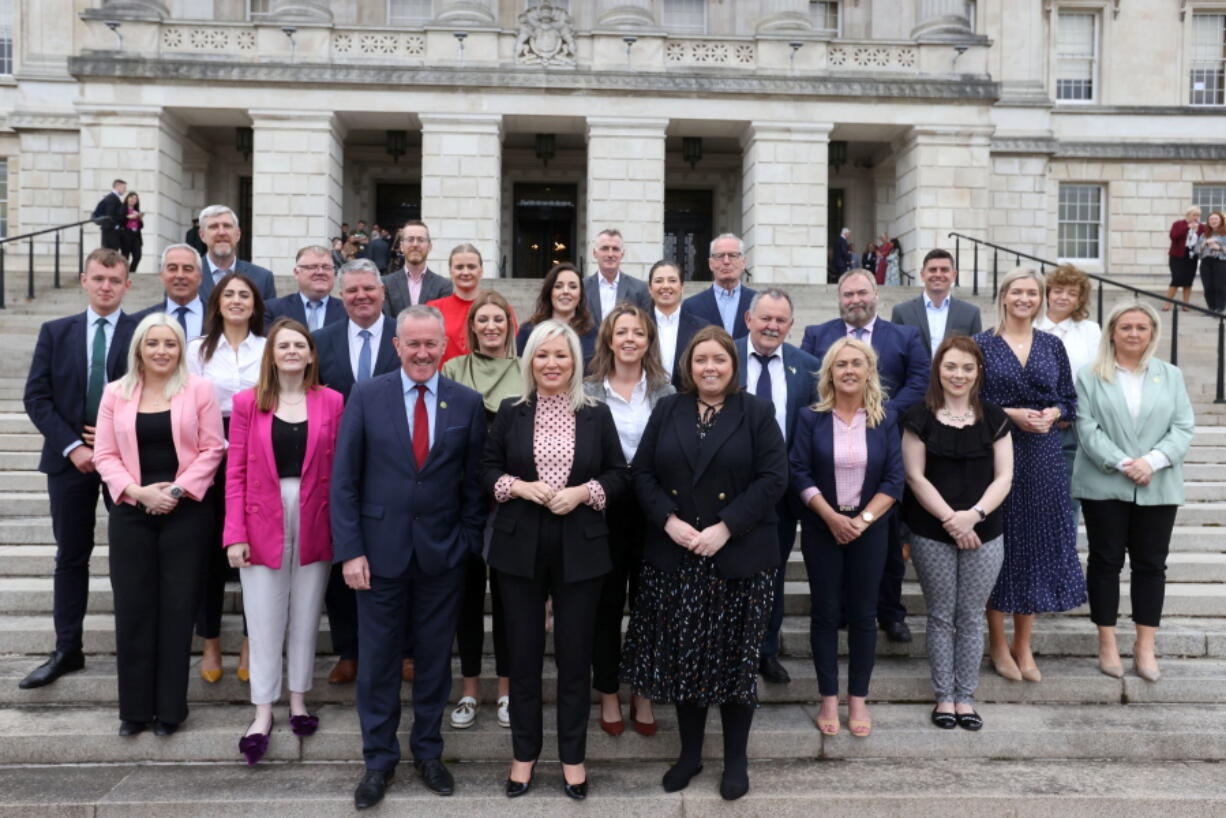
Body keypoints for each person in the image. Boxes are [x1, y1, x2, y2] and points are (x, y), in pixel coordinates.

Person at [621, 325, 786, 801]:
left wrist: (727, 526)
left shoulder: (755, 411)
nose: (709, 367)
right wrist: (668, 521)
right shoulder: (669, 408)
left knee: (735, 664)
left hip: (738, 557)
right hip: (677, 554)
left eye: (719, 359)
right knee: (685, 661)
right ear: (687, 366)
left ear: (732, 366)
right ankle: (690, 755)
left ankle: (736, 761)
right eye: (700, 360)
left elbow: (775, 478)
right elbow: (643, 473)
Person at [332, 305, 486, 809]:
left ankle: (428, 752)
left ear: (446, 346)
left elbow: (474, 488)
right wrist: (350, 550)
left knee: (435, 663)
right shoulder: (367, 395)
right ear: (396, 346)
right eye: (412, 344)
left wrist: (465, 543)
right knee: (377, 665)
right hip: (377, 558)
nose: (422, 353)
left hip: (442, 557)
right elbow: (344, 481)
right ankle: (378, 761)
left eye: (431, 344)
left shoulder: (466, 402)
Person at [482, 320, 628, 801]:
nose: (551, 364)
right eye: (542, 356)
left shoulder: (596, 414)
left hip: (580, 544)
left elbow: (618, 475)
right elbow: (486, 469)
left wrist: (586, 492)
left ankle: (572, 757)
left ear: (575, 362)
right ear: (529, 362)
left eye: (560, 356)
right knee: (522, 658)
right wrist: (518, 487)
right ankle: (523, 755)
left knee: (573, 660)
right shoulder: (510, 411)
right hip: (518, 543)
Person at [92, 313, 225, 736]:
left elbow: (212, 449)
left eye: (170, 344)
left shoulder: (199, 389)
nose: (161, 351)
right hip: (131, 511)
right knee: (133, 609)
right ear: (139, 349)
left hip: (185, 513)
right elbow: (104, 454)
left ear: (180, 349)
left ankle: (170, 712)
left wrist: (175, 492)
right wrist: (138, 491)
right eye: (153, 344)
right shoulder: (116, 392)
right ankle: (133, 711)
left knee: (176, 609)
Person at [224, 318, 345, 764]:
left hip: (316, 516)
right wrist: (234, 533)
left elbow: (343, 469)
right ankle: (261, 711)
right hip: (261, 516)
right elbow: (234, 472)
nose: (291, 351)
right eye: (283, 345)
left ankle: (297, 700)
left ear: (311, 354)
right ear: (271, 354)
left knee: (307, 611)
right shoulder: (246, 403)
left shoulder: (332, 401)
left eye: (299, 345)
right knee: (262, 616)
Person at [19, 249, 137, 690]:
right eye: (99, 278)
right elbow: (36, 398)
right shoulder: (56, 332)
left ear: (127, 285)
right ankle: (68, 648)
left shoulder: (143, 332)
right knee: (71, 555)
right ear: (83, 280)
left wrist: (111, 444)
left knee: (130, 559)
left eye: (114, 279)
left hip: (126, 463)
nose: (106, 286)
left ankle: (135, 648)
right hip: (69, 461)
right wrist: (73, 446)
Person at [801, 268, 930, 644]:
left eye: (861, 293)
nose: (854, 300)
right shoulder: (817, 335)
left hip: (887, 445)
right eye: (847, 295)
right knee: (833, 531)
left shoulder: (904, 336)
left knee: (887, 537)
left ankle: (890, 613)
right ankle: (839, 609)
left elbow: (920, 381)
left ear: (876, 295)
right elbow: (813, 386)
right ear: (838, 299)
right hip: (833, 446)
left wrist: (877, 414)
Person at [974, 267, 1085, 683]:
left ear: (1040, 299)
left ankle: (1024, 642)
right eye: (1017, 291)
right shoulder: (982, 344)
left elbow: (1069, 401)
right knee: (1000, 544)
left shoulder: (1052, 345)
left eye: (1032, 293)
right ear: (1003, 295)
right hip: (995, 453)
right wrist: (1010, 414)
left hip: (1043, 455)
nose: (1025, 299)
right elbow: (966, 401)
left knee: (1036, 544)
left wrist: (1055, 412)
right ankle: (998, 642)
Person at [1073, 301, 1194, 683]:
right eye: (1126, 327)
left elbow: (1183, 426)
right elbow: (1086, 427)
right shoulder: (1090, 375)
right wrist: (1126, 463)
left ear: (1152, 333)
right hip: (1105, 482)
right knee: (1106, 561)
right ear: (1111, 331)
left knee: (1151, 564)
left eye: (1142, 328)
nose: (1134, 334)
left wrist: (1153, 461)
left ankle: (1145, 646)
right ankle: (1107, 641)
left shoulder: (1170, 375)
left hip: (1158, 483)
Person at [790, 337, 903, 739]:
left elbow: (894, 478)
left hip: (870, 530)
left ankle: (858, 699)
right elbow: (799, 471)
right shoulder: (810, 418)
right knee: (825, 614)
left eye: (857, 363)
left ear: (870, 370)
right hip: (823, 528)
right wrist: (831, 516)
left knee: (863, 616)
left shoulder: (885, 419)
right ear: (830, 373)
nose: (849, 370)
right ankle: (827, 698)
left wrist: (864, 519)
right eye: (841, 364)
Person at [901, 336, 1013, 731]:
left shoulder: (995, 417)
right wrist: (952, 519)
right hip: (932, 532)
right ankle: (943, 697)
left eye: (967, 367)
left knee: (969, 617)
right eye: (951, 367)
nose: (959, 375)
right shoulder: (919, 416)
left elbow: (1005, 476)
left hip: (986, 534)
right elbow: (914, 476)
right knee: (941, 616)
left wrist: (975, 515)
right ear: (938, 370)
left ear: (978, 371)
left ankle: (965, 697)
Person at [583, 303, 674, 737]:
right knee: (604, 607)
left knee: (649, 607)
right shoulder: (586, 391)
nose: (630, 340)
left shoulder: (666, 391)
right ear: (609, 338)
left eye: (639, 332)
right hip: (602, 512)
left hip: (653, 513)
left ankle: (643, 691)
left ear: (649, 340)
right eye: (622, 332)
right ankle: (607, 692)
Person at [312, 260, 405, 686]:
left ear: (383, 293)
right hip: (337, 468)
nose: (361, 296)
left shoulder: (403, 340)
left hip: (396, 468)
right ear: (340, 294)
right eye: (351, 291)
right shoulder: (321, 341)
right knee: (341, 559)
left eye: (369, 289)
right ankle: (349, 651)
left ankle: (404, 651)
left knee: (398, 560)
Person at [440, 290, 520, 731]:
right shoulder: (453, 369)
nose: (491, 327)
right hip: (464, 502)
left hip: (513, 502)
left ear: (510, 325)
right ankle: (470, 690)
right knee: (467, 601)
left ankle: (506, 690)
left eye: (499, 320)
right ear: (471, 327)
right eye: (482, 320)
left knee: (509, 601)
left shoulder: (527, 369)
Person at [734, 288, 819, 685]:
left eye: (780, 320)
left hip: (781, 494)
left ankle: (765, 650)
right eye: (765, 318)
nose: (771, 326)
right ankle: (728, 648)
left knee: (774, 571)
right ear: (748, 319)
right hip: (729, 488)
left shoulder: (808, 367)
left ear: (791, 325)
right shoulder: (723, 356)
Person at [187, 272, 267, 685]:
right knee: (208, 554)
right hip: (208, 456)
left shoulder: (269, 349)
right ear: (216, 303)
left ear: (255, 305)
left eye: (245, 295)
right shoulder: (195, 351)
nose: (237, 300)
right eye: (229, 295)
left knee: (254, 550)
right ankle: (211, 640)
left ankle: (253, 640)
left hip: (260, 455)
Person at [1035, 264, 1102, 518]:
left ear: (1079, 300)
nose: (1064, 297)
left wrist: (1068, 413)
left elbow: (1095, 378)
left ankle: (1065, 554)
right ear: (1048, 293)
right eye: (1058, 290)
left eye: (1072, 293)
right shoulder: (1030, 326)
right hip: (1033, 423)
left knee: (1068, 495)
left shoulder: (1091, 331)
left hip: (1072, 425)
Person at [890, 249, 983, 357]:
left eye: (944, 270)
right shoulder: (902, 312)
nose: (938, 274)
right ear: (922, 275)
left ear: (954, 275)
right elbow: (895, 355)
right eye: (933, 270)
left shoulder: (970, 313)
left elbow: (975, 355)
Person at [516, 263, 598, 368]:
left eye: (573, 287)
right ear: (550, 292)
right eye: (558, 286)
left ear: (580, 294)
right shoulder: (528, 330)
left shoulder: (593, 333)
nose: (565, 291)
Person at [680, 233, 757, 340]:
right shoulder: (691, 306)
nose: (726, 261)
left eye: (733, 255)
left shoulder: (759, 302)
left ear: (743, 262)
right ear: (710, 264)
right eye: (719, 256)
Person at [196, 205, 276, 302]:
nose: (221, 232)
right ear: (202, 235)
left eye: (227, 226)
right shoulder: (189, 275)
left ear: (238, 234)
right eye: (214, 227)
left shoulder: (262, 278)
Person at [132, 244, 208, 341]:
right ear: (162, 276)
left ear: (200, 277)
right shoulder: (139, 321)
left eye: (187, 269)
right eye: (172, 268)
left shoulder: (220, 319)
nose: (180, 275)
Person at [428, 243, 486, 366]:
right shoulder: (433, 310)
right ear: (451, 271)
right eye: (459, 267)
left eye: (471, 267)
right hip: (445, 381)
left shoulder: (497, 309)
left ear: (481, 271)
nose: (465, 272)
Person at [647, 260, 705, 385]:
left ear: (682, 287)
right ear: (650, 289)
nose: (666, 286)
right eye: (659, 281)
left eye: (672, 280)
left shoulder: (701, 328)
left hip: (687, 400)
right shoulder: (639, 325)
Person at [265, 245, 345, 331]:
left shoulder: (347, 311)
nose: (321, 272)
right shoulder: (272, 309)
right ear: (296, 273)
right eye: (313, 267)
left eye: (326, 267)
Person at [381, 220, 452, 315]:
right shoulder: (386, 284)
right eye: (410, 239)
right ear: (401, 246)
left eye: (420, 240)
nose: (415, 244)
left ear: (429, 247)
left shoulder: (443, 286)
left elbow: (442, 323)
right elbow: (387, 323)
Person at [584, 228, 653, 325]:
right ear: (595, 253)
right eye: (605, 248)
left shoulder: (640, 289)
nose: (610, 254)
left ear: (622, 254)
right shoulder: (582, 287)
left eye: (615, 249)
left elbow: (646, 326)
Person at [1166, 206, 1205, 311]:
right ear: (1188, 215)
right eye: (1194, 215)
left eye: (1198, 215)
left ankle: (1185, 304)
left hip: (1191, 256)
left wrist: (1197, 231)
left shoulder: (1201, 226)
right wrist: (1187, 228)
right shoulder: (1178, 224)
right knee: (1176, 279)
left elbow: (1204, 239)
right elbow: (1173, 236)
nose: (1196, 217)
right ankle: (1168, 302)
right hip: (1177, 255)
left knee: (1188, 281)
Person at [1197, 210, 1226, 313]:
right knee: (1208, 286)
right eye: (1211, 219)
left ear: (1221, 220)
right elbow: (1196, 250)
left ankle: (1220, 308)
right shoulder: (1204, 235)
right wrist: (1203, 244)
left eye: (1216, 219)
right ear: (1208, 222)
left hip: (1220, 262)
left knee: (1220, 286)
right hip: (1206, 262)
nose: (1213, 221)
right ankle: (1211, 308)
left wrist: (1218, 247)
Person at [91, 179, 126, 250]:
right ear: (118, 186)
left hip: (109, 231)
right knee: (110, 254)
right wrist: (116, 226)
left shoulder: (110, 198)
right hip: (110, 232)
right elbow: (110, 215)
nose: (125, 190)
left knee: (109, 253)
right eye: (124, 188)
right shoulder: (112, 198)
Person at [119, 192, 144, 274]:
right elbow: (120, 220)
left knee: (137, 256)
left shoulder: (136, 210)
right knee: (125, 255)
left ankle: (131, 272)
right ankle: (124, 273)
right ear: (127, 198)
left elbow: (141, 226)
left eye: (135, 198)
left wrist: (140, 218)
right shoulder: (123, 208)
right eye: (132, 197)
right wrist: (129, 217)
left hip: (136, 235)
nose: (133, 200)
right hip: (126, 233)